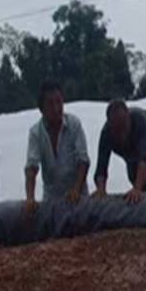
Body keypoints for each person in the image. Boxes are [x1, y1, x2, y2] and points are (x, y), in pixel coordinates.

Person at [25, 81, 90, 214]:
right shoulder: (35, 133)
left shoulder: (74, 124)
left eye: (59, 102)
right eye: (50, 104)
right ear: (41, 109)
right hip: (51, 201)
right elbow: (31, 167)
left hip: (78, 198)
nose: (56, 108)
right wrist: (30, 198)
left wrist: (76, 190)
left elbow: (83, 160)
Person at [94, 100, 146, 204]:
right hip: (129, 150)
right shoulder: (106, 133)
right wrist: (101, 189)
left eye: (123, 127)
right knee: (132, 175)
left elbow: (144, 159)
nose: (121, 134)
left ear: (128, 119)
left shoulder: (141, 123)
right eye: (117, 130)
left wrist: (137, 188)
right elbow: (101, 166)